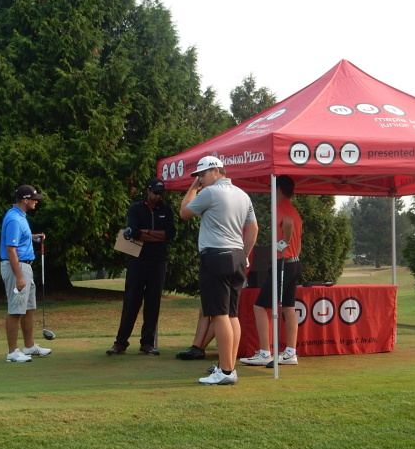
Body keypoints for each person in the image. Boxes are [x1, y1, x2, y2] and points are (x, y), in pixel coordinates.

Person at [179, 156, 258, 385]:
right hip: (237, 257)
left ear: (215, 170)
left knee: (219, 315)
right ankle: (228, 367)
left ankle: (225, 372)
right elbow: (253, 228)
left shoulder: (210, 193)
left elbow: (184, 212)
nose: (200, 179)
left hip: (216, 257)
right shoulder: (243, 195)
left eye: (202, 174)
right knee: (232, 315)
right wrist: (244, 255)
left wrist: (193, 188)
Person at [106, 178, 176, 356]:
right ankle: (121, 342)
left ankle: (147, 343)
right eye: (156, 192)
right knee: (132, 300)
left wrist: (147, 233)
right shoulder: (136, 208)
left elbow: (170, 233)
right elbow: (134, 232)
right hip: (137, 259)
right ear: (148, 190)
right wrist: (155, 234)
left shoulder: (166, 210)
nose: (158, 196)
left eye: (161, 193)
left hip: (158, 260)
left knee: (153, 302)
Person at [239, 175, 303, 367]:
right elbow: (295, 230)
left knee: (260, 307)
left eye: (272, 188)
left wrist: (285, 242)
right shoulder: (293, 209)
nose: (270, 191)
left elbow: (288, 222)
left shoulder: (280, 207)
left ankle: (265, 352)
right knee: (288, 308)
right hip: (294, 262)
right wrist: (291, 246)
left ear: (279, 189)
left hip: (282, 263)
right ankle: (290, 352)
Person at [0, 185, 51, 363]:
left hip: (25, 267)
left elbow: (18, 238)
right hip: (17, 267)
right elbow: (10, 249)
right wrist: (19, 277)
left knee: (28, 308)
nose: (37, 202)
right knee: (16, 310)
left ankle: (29, 346)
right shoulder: (14, 219)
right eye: (34, 199)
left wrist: (32, 237)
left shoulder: (20, 216)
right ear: (25, 200)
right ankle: (12, 352)